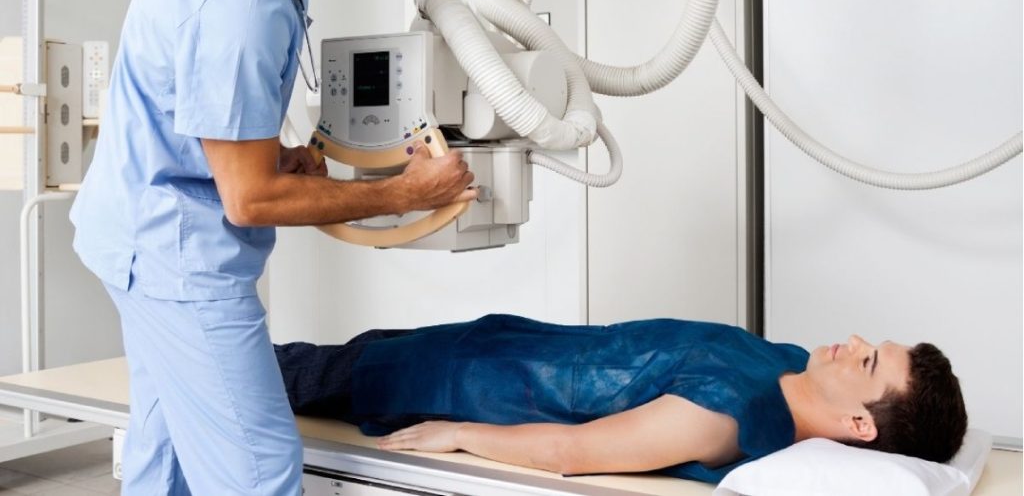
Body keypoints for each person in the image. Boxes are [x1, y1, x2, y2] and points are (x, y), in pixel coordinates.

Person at [69, 0, 475, 493]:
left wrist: (276, 155)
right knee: (257, 471)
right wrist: (405, 194)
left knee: (164, 457)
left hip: (139, 223)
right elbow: (250, 198)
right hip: (175, 256)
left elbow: (203, 112)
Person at [274, 313, 968, 484]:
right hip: (496, 342)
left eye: (870, 359)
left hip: (469, 386)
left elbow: (573, 451)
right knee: (310, 357)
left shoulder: (729, 412)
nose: (853, 339)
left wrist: (459, 432)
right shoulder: (788, 363)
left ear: (858, 423)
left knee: (280, 373)